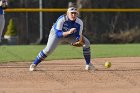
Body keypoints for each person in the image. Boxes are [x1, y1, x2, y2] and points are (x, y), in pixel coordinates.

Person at [29, 7, 95, 71]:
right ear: (67, 13)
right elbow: (58, 34)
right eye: (71, 13)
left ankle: (88, 64)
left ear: (77, 14)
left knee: (87, 43)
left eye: (75, 13)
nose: (73, 15)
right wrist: (69, 32)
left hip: (70, 36)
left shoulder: (79, 22)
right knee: (48, 50)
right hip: (56, 34)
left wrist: (77, 40)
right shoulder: (62, 19)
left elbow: (78, 35)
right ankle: (34, 64)